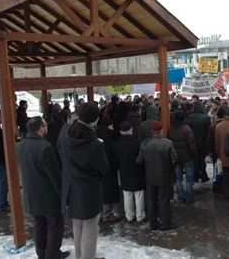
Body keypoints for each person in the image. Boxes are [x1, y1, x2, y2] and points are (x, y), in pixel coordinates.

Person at [57, 102, 109, 259]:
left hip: (70, 186)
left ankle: (79, 255)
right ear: (95, 120)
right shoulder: (94, 144)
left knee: (77, 223)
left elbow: (59, 149)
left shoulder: (65, 132)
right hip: (88, 189)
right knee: (90, 227)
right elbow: (104, 168)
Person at [15, 116, 70, 259]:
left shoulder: (21, 146)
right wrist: (63, 196)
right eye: (45, 125)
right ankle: (52, 254)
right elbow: (54, 175)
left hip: (30, 194)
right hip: (47, 196)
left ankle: (42, 253)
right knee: (55, 225)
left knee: (38, 224)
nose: (46, 127)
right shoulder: (45, 147)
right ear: (40, 128)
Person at [136, 121, 178, 231]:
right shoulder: (168, 143)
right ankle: (165, 224)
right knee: (164, 201)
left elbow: (139, 161)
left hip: (149, 176)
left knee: (151, 200)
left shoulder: (144, 143)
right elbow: (174, 160)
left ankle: (153, 223)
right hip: (164, 176)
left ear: (151, 131)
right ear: (161, 131)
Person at [113, 121, 146, 223]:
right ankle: (140, 215)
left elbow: (115, 160)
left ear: (120, 132)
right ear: (131, 130)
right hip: (137, 171)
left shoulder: (116, 144)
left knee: (127, 195)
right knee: (139, 194)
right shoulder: (137, 143)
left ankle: (129, 216)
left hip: (124, 171)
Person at [167, 110, 198, 204]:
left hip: (176, 157)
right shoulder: (187, 129)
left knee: (178, 178)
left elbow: (169, 142)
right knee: (189, 179)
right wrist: (194, 155)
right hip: (187, 157)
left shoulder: (170, 129)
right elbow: (191, 144)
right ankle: (189, 198)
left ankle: (180, 198)